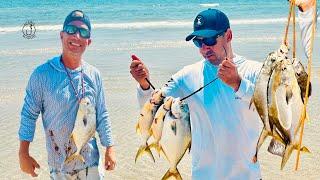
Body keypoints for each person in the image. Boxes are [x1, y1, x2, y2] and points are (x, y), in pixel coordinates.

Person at [130, 1, 317, 179]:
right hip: (203, 177)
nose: (204, 48)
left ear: (228, 35)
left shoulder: (254, 71)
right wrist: (144, 84)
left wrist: (238, 83)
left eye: (210, 40)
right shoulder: (187, 75)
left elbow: (281, 104)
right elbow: (152, 109)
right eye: (198, 42)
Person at [18, 10, 116, 179]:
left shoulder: (94, 75)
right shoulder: (42, 75)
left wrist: (110, 147)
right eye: (71, 30)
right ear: (62, 35)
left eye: (83, 32)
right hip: (59, 166)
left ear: (88, 41)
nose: (76, 36)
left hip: (91, 163)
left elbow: (102, 114)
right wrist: (23, 154)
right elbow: (29, 114)